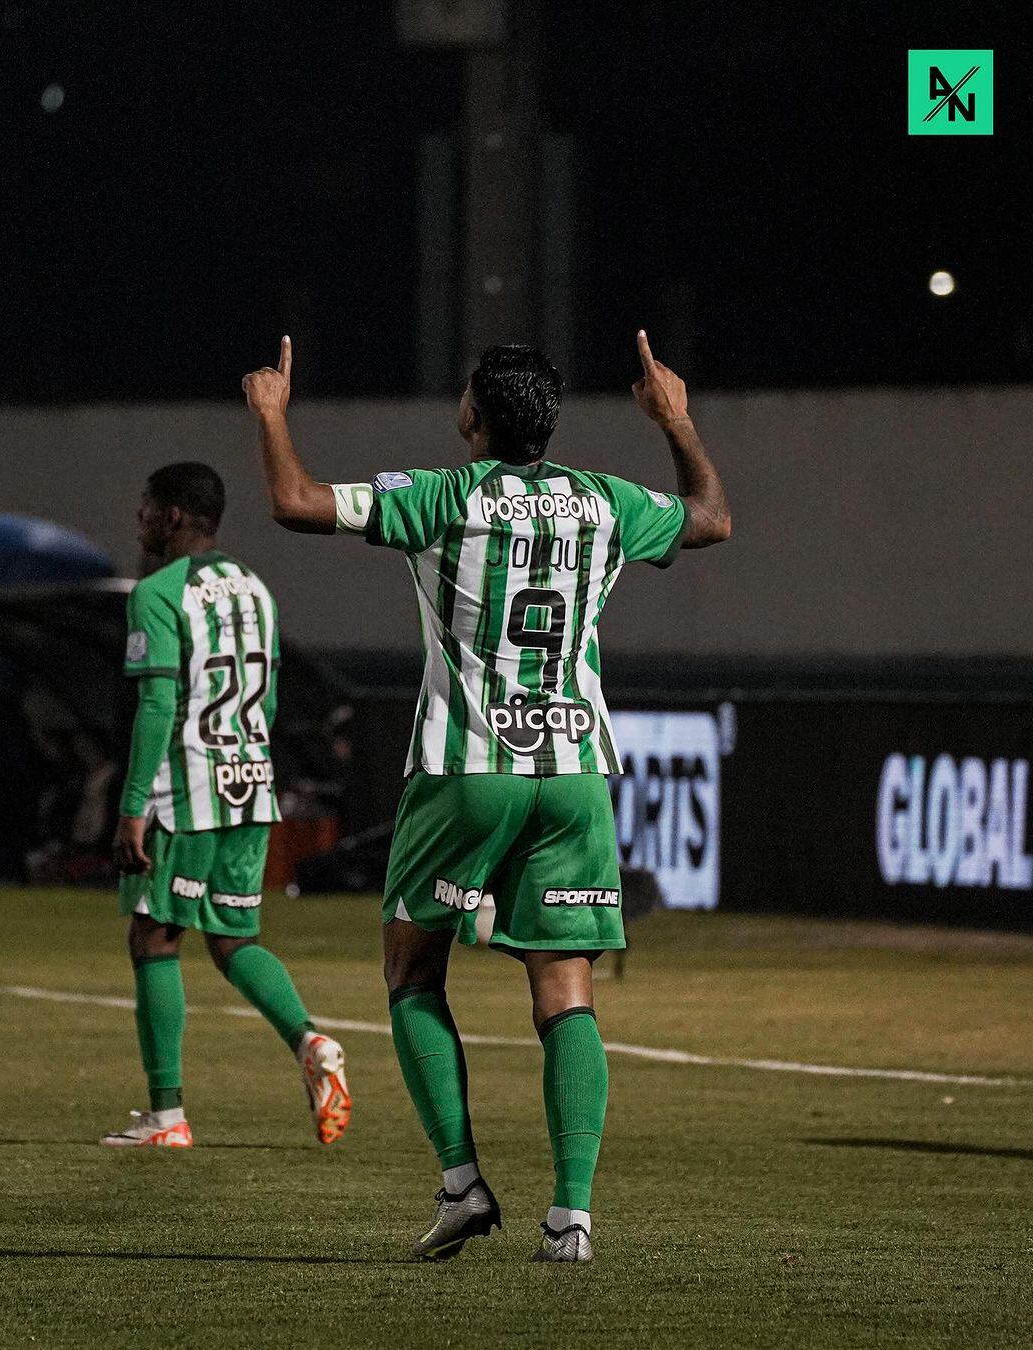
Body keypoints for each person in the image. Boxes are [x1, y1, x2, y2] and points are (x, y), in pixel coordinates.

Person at [242, 331, 730, 1260]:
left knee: (412, 971)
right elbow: (711, 517)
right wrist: (676, 419)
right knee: (566, 996)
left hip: (467, 769)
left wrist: (271, 414)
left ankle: (463, 1182)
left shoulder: (441, 496)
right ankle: (572, 1217)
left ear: (473, 414)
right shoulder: (603, 502)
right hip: (576, 773)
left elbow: (294, 502)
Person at [104, 461, 351, 1148]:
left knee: (154, 936)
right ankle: (310, 1040)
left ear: (173, 517)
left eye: (147, 507)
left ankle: (167, 1117)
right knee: (235, 938)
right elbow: (268, 699)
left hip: (189, 791)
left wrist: (131, 808)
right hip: (251, 781)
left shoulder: (156, 593)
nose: (140, 520)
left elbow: (157, 704)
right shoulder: (256, 590)